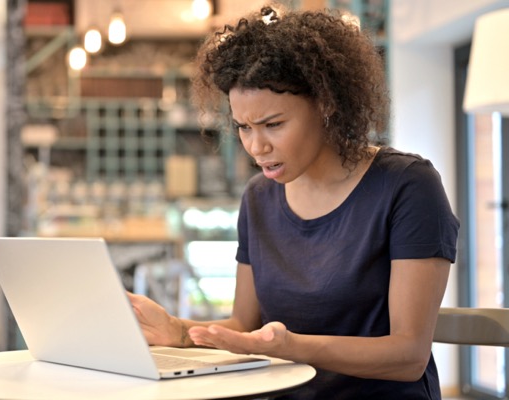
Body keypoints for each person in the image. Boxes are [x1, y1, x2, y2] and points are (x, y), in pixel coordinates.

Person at [128, 4, 460, 399]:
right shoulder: (259, 198)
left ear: (326, 104)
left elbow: (408, 356)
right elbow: (244, 324)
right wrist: (180, 333)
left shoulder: (406, 186)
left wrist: (292, 347)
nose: (256, 146)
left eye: (273, 125)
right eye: (243, 128)